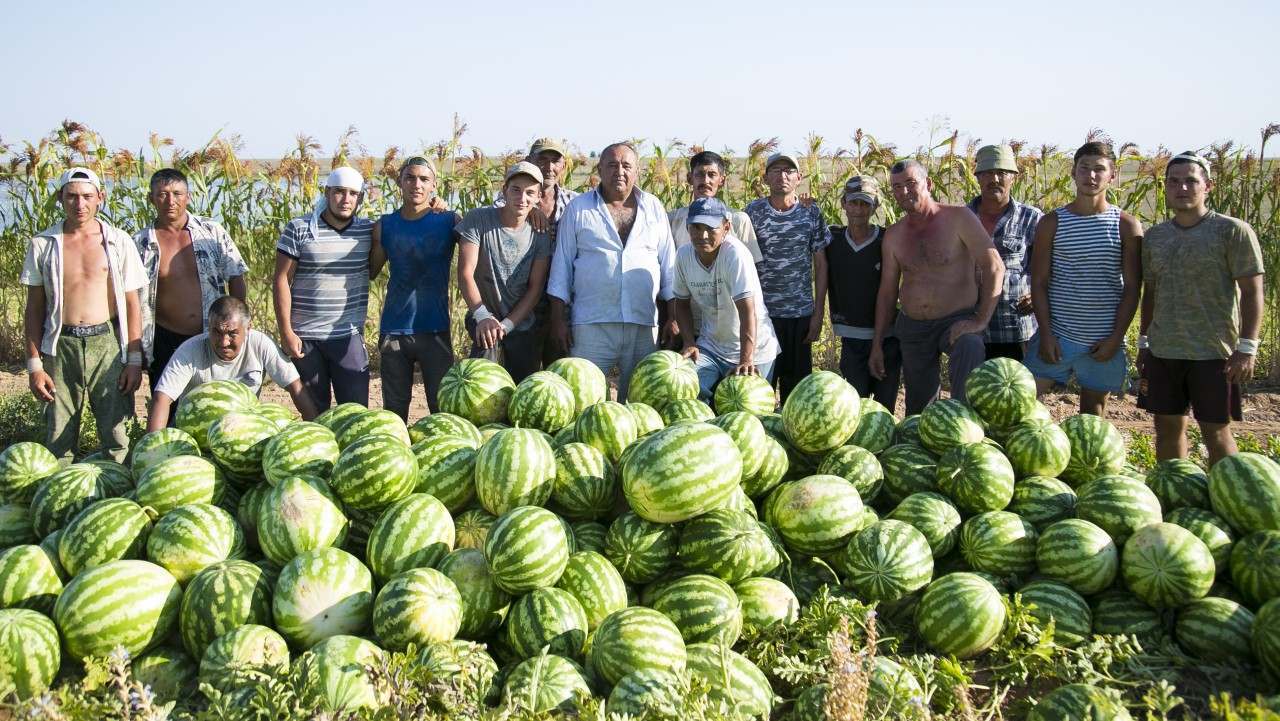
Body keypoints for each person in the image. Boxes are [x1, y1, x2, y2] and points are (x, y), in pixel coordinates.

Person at [1138, 152, 1264, 464]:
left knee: (1216, 432)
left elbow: (1252, 292)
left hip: (1214, 353)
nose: (1182, 188)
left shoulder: (1232, 231)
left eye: (1191, 181)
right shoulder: (1154, 237)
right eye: (1174, 181)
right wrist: (1144, 344)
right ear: (1166, 188)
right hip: (1165, 351)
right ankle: (1176, 496)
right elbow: (1150, 293)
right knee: (1166, 429)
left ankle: (1228, 498)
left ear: (1207, 186)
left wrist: (1247, 347)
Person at [22, 167, 147, 463]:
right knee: (58, 437)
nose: (80, 204)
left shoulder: (119, 242)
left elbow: (132, 305)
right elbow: (34, 309)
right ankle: (58, 503)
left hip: (107, 344)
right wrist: (34, 366)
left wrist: (133, 360)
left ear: (100, 198)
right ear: (60, 199)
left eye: (87, 196)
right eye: (72, 197)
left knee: (118, 436)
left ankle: (118, 501)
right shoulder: (43, 244)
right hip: (60, 345)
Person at [870, 160, 1005, 414]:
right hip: (914, 327)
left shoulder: (959, 218)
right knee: (919, 409)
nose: (904, 192)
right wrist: (877, 342)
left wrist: (980, 320)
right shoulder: (894, 235)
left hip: (957, 319)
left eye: (911, 184)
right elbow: (887, 292)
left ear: (928, 184)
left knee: (970, 346)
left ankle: (966, 427)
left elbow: (994, 266)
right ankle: (923, 444)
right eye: (897, 187)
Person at [547, 142, 677, 402]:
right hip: (591, 322)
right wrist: (558, 320)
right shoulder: (579, 208)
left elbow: (669, 267)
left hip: (642, 323)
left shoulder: (654, 208)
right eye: (612, 165)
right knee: (585, 401)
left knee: (641, 402)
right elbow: (561, 267)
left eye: (627, 166)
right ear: (600, 169)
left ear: (637, 171)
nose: (620, 171)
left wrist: (672, 317)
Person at [1027, 141, 1143, 417]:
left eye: (1099, 170)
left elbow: (1132, 288)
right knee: (1025, 404)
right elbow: (1040, 282)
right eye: (1084, 168)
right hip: (1057, 336)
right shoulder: (1052, 223)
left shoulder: (1125, 225)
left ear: (1112, 175)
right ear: (1074, 173)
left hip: (1101, 341)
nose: (1091, 176)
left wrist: (1116, 338)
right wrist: (1045, 333)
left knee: (1092, 418)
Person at [133, 168, 248, 404]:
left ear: (189, 197)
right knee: (168, 403)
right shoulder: (141, 242)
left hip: (212, 334)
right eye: (163, 194)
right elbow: (131, 299)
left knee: (214, 402)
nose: (170, 201)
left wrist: (242, 322)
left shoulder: (211, 231)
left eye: (177, 193)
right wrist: (136, 349)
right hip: (165, 340)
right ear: (151, 198)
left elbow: (235, 276)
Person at [273, 166, 375, 413]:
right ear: (327, 192)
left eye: (353, 194)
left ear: (360, 199)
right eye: (339, 192)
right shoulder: (300, 228)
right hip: (306, 338)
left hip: (347, 335)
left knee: (354, 413)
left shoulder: (369, 230)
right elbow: (281, 280)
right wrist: (286, 332)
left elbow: (403, 222)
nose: (346, 199)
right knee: (315, 414)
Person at [369, 158, 460, 418]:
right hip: (394, 331)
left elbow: (480, 240)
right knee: (394, 412)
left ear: (434, 185)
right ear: (399, 183)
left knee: (442, 410)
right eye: (409, 177)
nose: (416, 184)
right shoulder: (384, 226)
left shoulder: (450, 221)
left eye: (424, 179)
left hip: (435, 330)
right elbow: (371, 272)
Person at [147, 296, 317, 431]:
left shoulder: (260, 344)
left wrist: (317, 432)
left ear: (248, 327)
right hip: (194, 435)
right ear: (209, 327)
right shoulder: (190, 350)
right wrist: (153, 448)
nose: (224, 342)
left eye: (232, 333)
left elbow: (295, 387)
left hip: (243, 433)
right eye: (217, 332)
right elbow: (161, 399)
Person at [673, 198, 779, 401]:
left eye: (710, 228)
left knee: (747, 409)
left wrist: (746, 359)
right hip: (711, 347)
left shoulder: (735, 254)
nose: (702, 235)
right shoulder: (683, 255)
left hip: (754, 349)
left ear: (726, 227)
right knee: (687, 392)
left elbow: (748, 311)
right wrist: (688, 342)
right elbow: (682, 304)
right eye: (696, 227)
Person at [745, 152, 831, 402]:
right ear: (765, 177)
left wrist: (818, 314)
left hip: (800, 316)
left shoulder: (810, 212)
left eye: (788, 171)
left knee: (797, 395)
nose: (782, 176)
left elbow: (821, 265)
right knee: (760, 389)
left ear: (798, 177)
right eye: (775, 170)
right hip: (763, 316)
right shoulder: (752, 213)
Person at [456, 161, 552, 382]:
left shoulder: (540, 232)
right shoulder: (478, 219)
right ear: (504, 190)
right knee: (482, 387)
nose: (522, 198)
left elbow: (535, 287)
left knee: (522, 394)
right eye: (516, 190)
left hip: (521, 324)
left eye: (530, 193)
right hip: (483, 318)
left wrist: (507, 325)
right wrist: (483, 317)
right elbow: (465, 274)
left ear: (538, 197)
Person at [667, 150, 763, 345]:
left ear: (722, 180)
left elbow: (753, 277)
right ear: (689, 178)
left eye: (712, 174)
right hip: (687, 323)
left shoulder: (738, 220)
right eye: (699, 174)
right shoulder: (673, 219)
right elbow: (667, 274)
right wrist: (671, 317)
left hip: (730, 329)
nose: (706, 181)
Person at [827, 175, 900, 409]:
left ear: (875, 206)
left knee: (884, 408)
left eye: (865, 204)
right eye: (853, 202)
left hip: (887, 339)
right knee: (854, 407)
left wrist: (878, 344)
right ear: (843, 204)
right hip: (852, 339)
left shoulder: (887, 239)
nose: (858, 209)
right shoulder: (832, 239)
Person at [967, 144, 1043, 360]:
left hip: (1017, 327)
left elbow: (1048, 268)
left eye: (1002, 173)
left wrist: (1038, 295)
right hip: (973, 329)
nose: (995, 179)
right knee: (974, 390)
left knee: (1018, 389)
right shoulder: (961, 218)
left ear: (1013, 178)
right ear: (978, 177)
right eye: (988, 173)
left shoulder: (1032, 218)